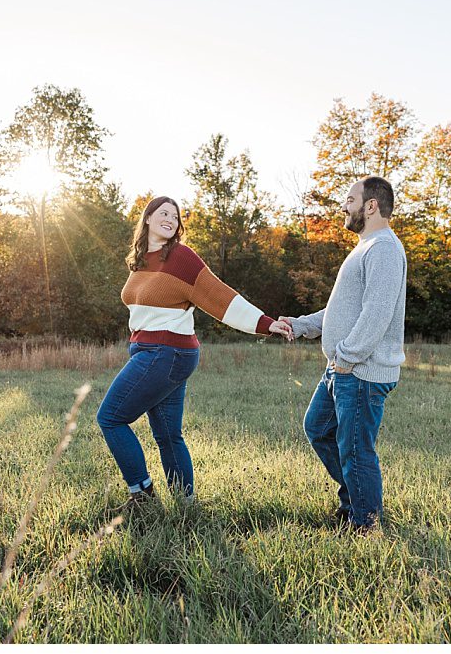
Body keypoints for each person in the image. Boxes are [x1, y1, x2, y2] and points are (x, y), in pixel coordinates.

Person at [97, 196, 292, 507]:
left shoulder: (181, 257)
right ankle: (187, 507)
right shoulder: (140, 261)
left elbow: (219, 296)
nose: (170, 219)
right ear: (147, 218)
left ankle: (142, 496)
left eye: (175, 216)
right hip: (156, 352)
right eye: (163, 213)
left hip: (164, 353)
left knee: (110, 418)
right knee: (168, 434)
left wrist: (265, 323)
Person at [279, 176, 407, 533]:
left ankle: (364, 526)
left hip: (359, 372)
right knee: (318, 428)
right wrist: (301, 324)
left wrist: (347, 359)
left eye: (350, 200)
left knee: (355, 451)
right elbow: (342, 311)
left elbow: (376, 313)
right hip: (344, 368)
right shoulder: (367, 247)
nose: (344, 206)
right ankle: (356, 500)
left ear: (371, 205)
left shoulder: (383, 248)